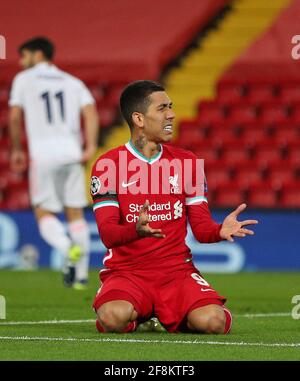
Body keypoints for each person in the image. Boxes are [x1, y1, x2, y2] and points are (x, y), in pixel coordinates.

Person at [90, 80, 258, 334]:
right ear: (139, 119)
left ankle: (165, 314)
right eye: (162, 109)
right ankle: (143, 316)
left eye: (171, 106)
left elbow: (201, 230)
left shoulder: (187, 162)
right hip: (127, 273)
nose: (171, 114)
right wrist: (136, 229)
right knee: (113, 317)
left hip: (176, 272)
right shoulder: (107, 166)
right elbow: (108, 234)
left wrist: (219, 230)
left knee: (214, 322)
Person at [9, 37, 99, 289]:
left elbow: (15, 116)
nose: (20, 61)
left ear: (37, 54)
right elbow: (90, 112)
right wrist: (90, 146)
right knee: (75, 214)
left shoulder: (23, 80)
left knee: (43, 212)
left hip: (43, 156)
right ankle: (80, 277)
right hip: (72, 155)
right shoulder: (72, 82)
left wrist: (16, 149)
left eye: (24, 55)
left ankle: (66, 246)